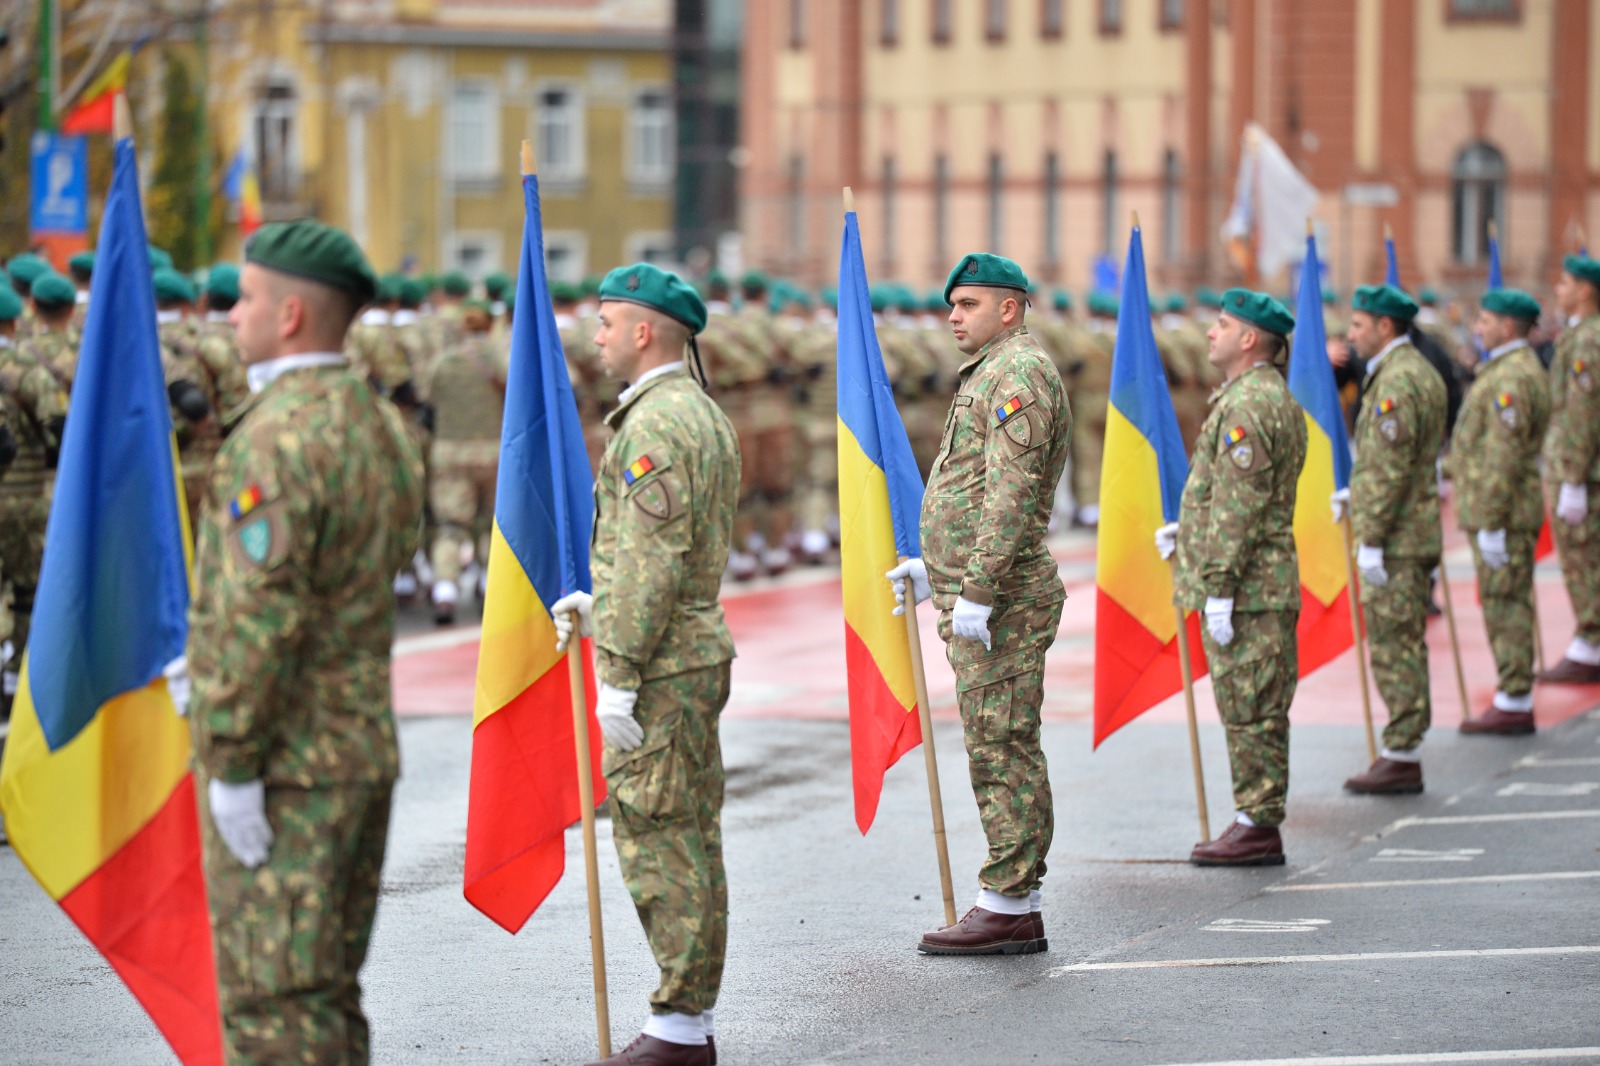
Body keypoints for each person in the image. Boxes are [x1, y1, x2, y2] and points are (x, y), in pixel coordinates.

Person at [186, 219, 425, 1065]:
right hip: (358, 747)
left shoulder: (279, 435)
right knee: (324, 995)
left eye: (245, 300)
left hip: (288, 762)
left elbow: (258, 618)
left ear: (290, 315)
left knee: (272, 1008)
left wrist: (230, 758)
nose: (231, 318)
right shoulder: (380, 426)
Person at [552, 263, 739, 1066]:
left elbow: (657, 559)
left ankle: (680, 1022)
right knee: (688, 828)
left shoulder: (657, 424)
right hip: (687, 643)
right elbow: (662, 552)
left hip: (662, 659)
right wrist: (603, 604)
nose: (594, 337)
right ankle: (685, 1015)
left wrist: (618, 667)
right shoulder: (692, 412)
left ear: (642, 332)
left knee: (661, 834)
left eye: (604, 323)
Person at [888, 253, 1070, 956]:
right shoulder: (993, 371)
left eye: (968, 304)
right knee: (994, 740)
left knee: (1003, 743)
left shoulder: (1017, 372)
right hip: (981, 588)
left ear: (1009, 308)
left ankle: (1012, 901)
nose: (953, 316)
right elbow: (973, 485)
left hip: (1004, 598)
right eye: (952, 305)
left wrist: (980, 587)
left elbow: (1012, 493)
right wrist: (937, 566)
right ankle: (1009, 895)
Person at [1161, 289, 1306, 863]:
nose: (1209, 334)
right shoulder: (1259, 396)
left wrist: (1218, 584)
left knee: (1252, 708)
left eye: (1221, 325)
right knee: (1252, 705)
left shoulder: (1248, 405)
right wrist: (1188, 535)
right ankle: (1254, 817)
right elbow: (1234, 495)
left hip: (1249, 588)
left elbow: (1242, 505)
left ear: (1249, 339)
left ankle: (1258, 823)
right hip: (1254, 582)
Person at [1339, 285, 1448, 794]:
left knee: (1394, 642)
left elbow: (1389, 468)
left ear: (1386, 327)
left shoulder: (1397, 381)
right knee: (1401, 638)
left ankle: (1402, 751)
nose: (1351, 334)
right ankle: (1401, 745)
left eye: (1359, 325)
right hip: (1410, 530)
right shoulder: (1411, 371)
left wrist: (1372, 535)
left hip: (1398, 536)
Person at [1446, 289, 1552, 734]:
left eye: (1484, 321)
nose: (1477, 329)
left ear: (1508, 327)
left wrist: (1490, 521)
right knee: (1502, 599)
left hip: (1503, 514)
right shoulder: (1507, 368)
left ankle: (1514, 698)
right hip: (1501, 510)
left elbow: (1503, 456)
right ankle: (1513, 692)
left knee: (1505, 602)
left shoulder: (1511, 377)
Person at [0, 285, 65, 716]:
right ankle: (13, 678)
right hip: (24, 502)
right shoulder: (27, 367)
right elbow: (60, 425)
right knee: (26, 591)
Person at [423, 300, 507, 624]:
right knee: (492, 524)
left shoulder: (443, 362)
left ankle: (444, 589)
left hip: (450, 452)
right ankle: (489, 584)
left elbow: (428, 397)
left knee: (450, 526)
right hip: (495, 453)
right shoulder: (501, 359)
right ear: (490, 325)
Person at [1539, 255, 1600, 684]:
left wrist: (1574, 479)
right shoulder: (1580, 336)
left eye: (1564, 284)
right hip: (1577, 467)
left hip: (1585, 473)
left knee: (1584, 557)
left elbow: (1583, 413)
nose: (1558, 290)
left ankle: (1592, 641)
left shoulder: (1587, 341)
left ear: (1584, 291)